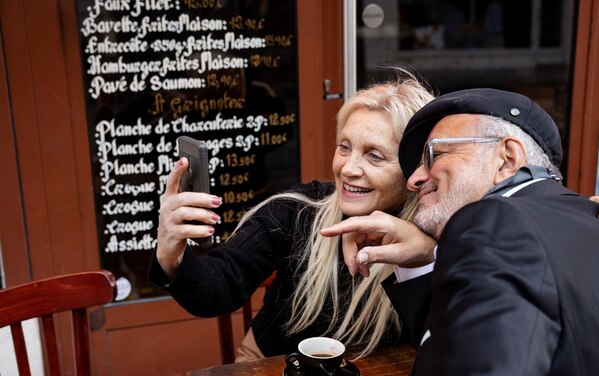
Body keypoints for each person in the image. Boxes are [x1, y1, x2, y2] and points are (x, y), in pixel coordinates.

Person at [321, 88, 599, 376]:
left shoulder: (496, 220)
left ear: (507, 158)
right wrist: (427, 258)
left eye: (433, 155)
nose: (415, 179)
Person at [149, 75, 437, 361]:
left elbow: (453, 346)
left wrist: (427, 256)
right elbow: (216, 290)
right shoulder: (297, 210)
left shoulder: (440, 232)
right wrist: (170, 254)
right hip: (270, 371)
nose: (348, 168)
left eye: (374, 156)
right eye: (344, 147)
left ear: (415, 169)